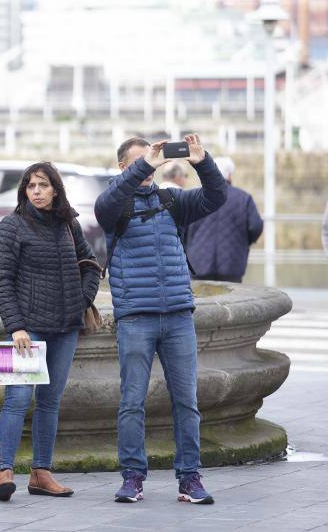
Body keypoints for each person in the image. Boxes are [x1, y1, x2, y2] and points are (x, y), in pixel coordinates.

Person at [94, 135, 226, 505]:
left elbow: (217, 197)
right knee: (132, 402)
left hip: (179, 316)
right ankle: (132, 477)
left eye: (154, 159)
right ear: (123, 167)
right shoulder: (110, 206)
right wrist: (146, 164)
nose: (151, 165)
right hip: (136, 316)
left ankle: (190, 478)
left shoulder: (171, 201)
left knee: (187, 402)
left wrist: (202, 162)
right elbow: (107, 204)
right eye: (141, 161)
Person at [0, 162, 101, 502]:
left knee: (50, 402)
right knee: (18, 399)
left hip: (66, 328)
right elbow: (2, 281)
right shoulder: (12, 225)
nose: (36, 191)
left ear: (56, 189)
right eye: (30, 186)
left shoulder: (68, 224)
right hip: (28, 329)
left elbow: (92, 265)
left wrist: (81, 301)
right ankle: (3, 470)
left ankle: (41, 473)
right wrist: (17, 327)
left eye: (42, 185)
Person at [185, 157, 264, 283]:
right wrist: (244, 241)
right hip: (232, 263)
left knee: (201, 301)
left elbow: (182, 226)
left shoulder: (195, 196)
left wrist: (188, 245)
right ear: (229, 175)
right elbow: (255, 226)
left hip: (198, 263)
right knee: (232, 300)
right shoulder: (244, 198)